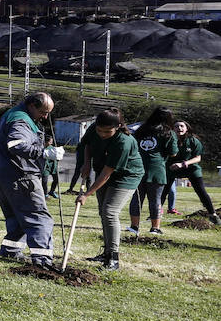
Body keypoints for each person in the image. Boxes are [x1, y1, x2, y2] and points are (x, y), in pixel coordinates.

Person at [0, 92, 59, 267]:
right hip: (21, 175)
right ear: (32, 106)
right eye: (43, 112)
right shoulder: (20, 120)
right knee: (38, 217)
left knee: (16, 217)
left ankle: (11, 250)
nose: (45, 117)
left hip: (3, 175)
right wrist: (44, 152)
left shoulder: (13, 114)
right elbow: (16, 145)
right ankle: (43, 260)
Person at [76, 108, 143, 270]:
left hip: (126, 176)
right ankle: (106, 252)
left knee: (110, 212)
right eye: (99, 130)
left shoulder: (124, 142)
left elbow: (107, 173)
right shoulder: (94, 128)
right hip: (103, 169)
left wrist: (86, 194)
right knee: (103, 212)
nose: (102, 134)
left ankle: (113, 258)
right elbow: (87, 145)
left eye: (107, 131)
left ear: (118, 126)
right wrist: (87, 163)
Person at [128, 107, 176, 236]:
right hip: (157, 169)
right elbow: (173, 153)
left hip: (138, 168)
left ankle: (134, 226)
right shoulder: (168, 132)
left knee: (137, 198)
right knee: (155, 200)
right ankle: (155, 228)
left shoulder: (142, 129)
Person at [170, 119, 219, 224]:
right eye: (176, 126)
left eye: (182, 126)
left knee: (201, 191)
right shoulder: (169, 139)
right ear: (172, 129)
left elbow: (198, 158)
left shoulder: (193, 140)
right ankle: (154, 215)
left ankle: (212, 214)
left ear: (187, 128)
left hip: (191, 168)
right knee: (163, 191)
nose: (179, 128)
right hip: (172, 168)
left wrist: (184, 163)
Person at [42, 128, 62, 199]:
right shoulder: (42, 148)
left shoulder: (53, 148)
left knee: (56, 179)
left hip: (53, 166)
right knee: (44, 181)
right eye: (50, 141)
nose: (52, 141)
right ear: (47, 141)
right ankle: (45, 193)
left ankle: (52, 191)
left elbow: (57, 155)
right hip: (46, 166)